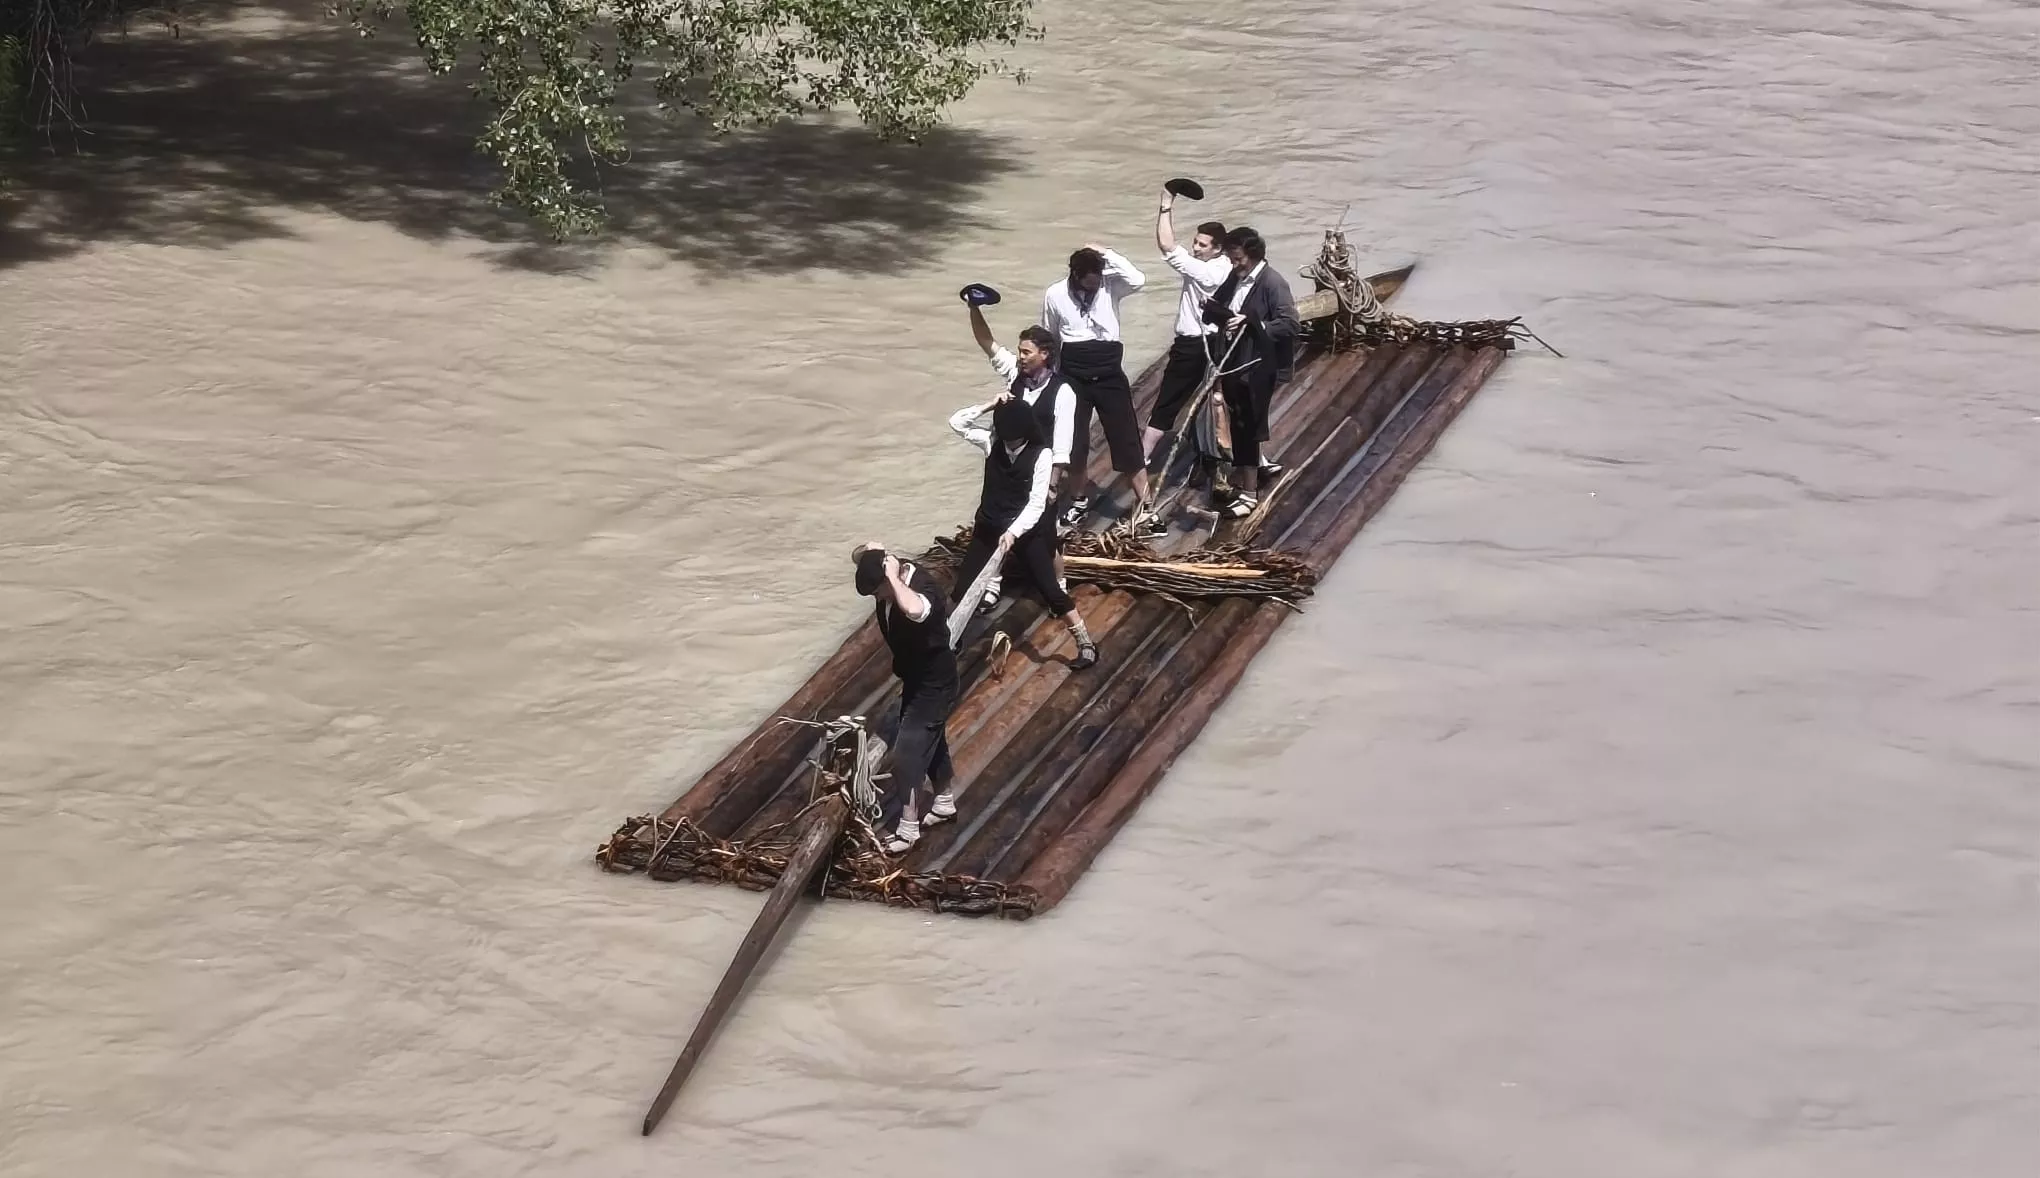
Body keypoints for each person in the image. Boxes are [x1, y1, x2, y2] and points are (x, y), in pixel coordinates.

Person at [946, 395, 1100, 670]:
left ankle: (1085, 642)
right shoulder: (992, 442)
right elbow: (956, 422)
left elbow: (1036, 504)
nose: (1009, 442)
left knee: (1051, 589)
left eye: (1013, 438)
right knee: (961, 588)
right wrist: (989, 405)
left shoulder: (1042, 455)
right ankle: (950, 637)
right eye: (1005, 436)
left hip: (1026, 531)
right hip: (989, 526)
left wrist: (1014, 532)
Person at [1041, 245, 1160, 535]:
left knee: (1127, 439)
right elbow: (1050, 336)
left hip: (1109, 374)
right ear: (1075, 275)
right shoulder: (1055, 294)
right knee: (1074, 443)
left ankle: (1146, 507)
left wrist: (1105, 253)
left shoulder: (1111, 285)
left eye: (1099, 275)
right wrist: (1049, 379)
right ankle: (1078, 499)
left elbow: (1139, 279)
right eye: (1090, 279)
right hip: (1073, 377)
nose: (1096, 283)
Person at [966, 309, 1079, 610]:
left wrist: (1053, 484)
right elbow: (985, 340)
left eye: (1026, 352)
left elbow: (1063, 444)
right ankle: (992, 583)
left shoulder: (1063, 391)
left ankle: (1059, 586)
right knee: (997, 525)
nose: (1020, 356)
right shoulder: (1015, 376)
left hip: (1041, 470)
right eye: (1019, 351)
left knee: (1046, 534)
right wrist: (973, 307)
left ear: (1044, 354)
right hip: (1008, 468)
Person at [851, 543, 960, 854]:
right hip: (915, 679)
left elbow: (915, 611)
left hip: (935, 685)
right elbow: (861, 553)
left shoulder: (922, 590)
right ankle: (943, 802)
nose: (878, 598)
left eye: (879, 591)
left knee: (906, 756)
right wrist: (875, 551)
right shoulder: (888, 582)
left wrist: (894, 579)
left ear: (891, 578)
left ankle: (908, 829)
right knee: (933, 741)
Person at [1201, 226, 1299, 517]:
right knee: (1239, 423)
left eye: (1239, 259)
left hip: (1257, 366)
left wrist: (1252, 323)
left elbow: (1290, 324)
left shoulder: (1273, 283)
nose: (1234, 264)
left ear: (1254, 255)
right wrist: (1212, 310)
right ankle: (1249, 478)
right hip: (1233, 362)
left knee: (1250, 428)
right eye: (1231, 259)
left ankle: (1249, 493)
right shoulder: (1236, 276)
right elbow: (1220, 307)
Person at [1148, 189, 1231, 463]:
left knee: (1167, 403)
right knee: (1213, 399)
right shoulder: (1222, 266)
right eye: (1195, 242)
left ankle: (1142, 457)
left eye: (1202, 245)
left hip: (1194, 346)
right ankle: (1213, 453)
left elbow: (1167, 245)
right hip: (1215, 343)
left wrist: (1166, 206)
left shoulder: (1206, 273)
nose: (1195, 248)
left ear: (1218, 248)